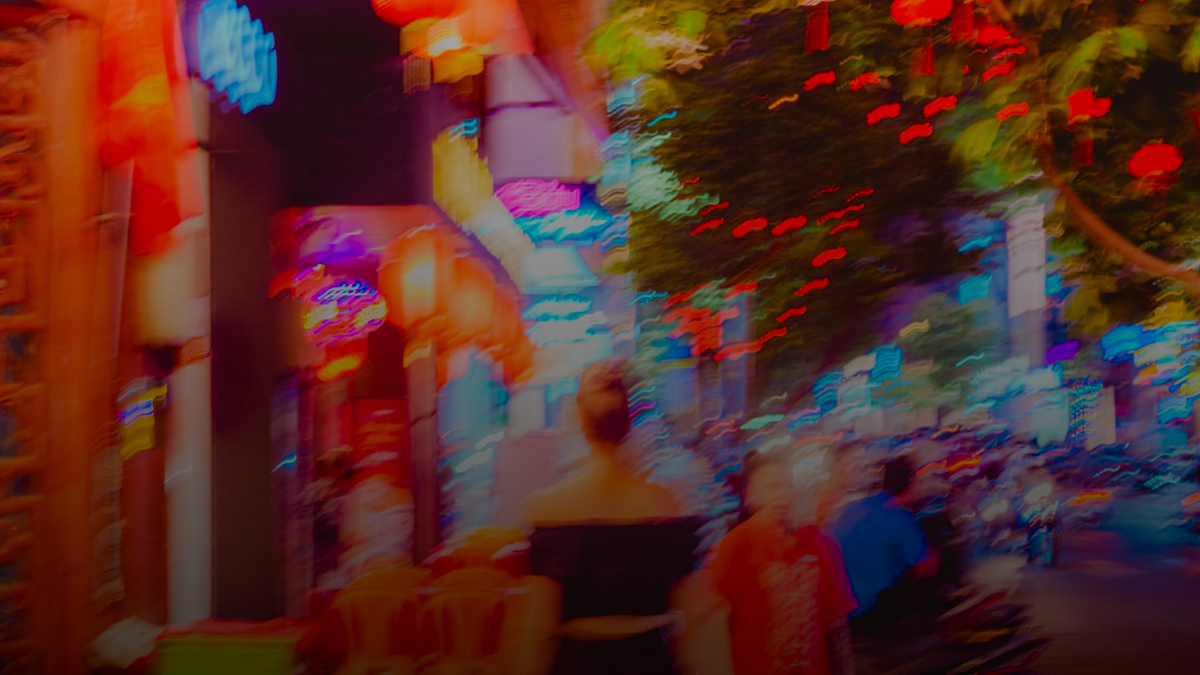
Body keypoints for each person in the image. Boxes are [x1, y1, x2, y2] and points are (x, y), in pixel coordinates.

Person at [517, 360, 702, 675]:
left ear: (581, 420)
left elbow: (539, 628)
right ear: (629, 423)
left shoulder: (549, 507)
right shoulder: (665, 504)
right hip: (649, 662)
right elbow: (697, 616)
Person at [703, 450, 858, 675]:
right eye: (771, 487)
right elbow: (714, 628)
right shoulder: (735, 546)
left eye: (787, 485)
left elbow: (838, 628)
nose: (781, 494)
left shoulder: (821, 546)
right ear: (749, 497)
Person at [829, 455, 939, 626]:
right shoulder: (900, 516)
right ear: (910, 486)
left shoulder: (852, 507)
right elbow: (923, 568)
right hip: (867, 607)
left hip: (839, 603)